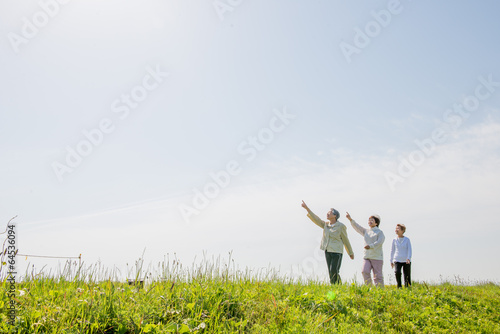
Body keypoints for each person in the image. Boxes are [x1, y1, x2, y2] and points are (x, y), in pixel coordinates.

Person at [301, 200, 354, 284]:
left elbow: (345, 240)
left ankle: (338, 287)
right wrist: (307, 208)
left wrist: (350, 252)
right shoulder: (326, 225)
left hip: (337, 251)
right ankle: (335, 287)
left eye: (329, 213)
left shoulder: (341, 226)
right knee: (331, 271)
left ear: (335, 215)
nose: (327, 214)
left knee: (334, 270)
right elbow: (316, 219)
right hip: (328, 250)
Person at [346, 212, 385, 287]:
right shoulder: (366, 231)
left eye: (372, 220)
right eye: (369, 220)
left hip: (377, 257)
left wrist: (370, 246)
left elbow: (380, 242)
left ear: (376, 223)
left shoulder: (380, 232)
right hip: (367, 256)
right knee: (364, 271)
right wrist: (350, 219)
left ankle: (380, 291)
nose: (369, 221)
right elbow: (357, 227)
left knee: (378, 276)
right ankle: (369, 288)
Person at [390, 224, 412, 288]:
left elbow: (409, 249)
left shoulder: (407, 240)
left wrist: (408, 258)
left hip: (406, 260)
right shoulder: (394, 240)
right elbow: (392, 250)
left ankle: (407, 287)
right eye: (396, 228)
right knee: (397, 272)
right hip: (397, 259)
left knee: (407, 275)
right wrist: (391, 260)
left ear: (402, 231)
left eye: (398, 228)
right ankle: (399, 286)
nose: (396, 230)